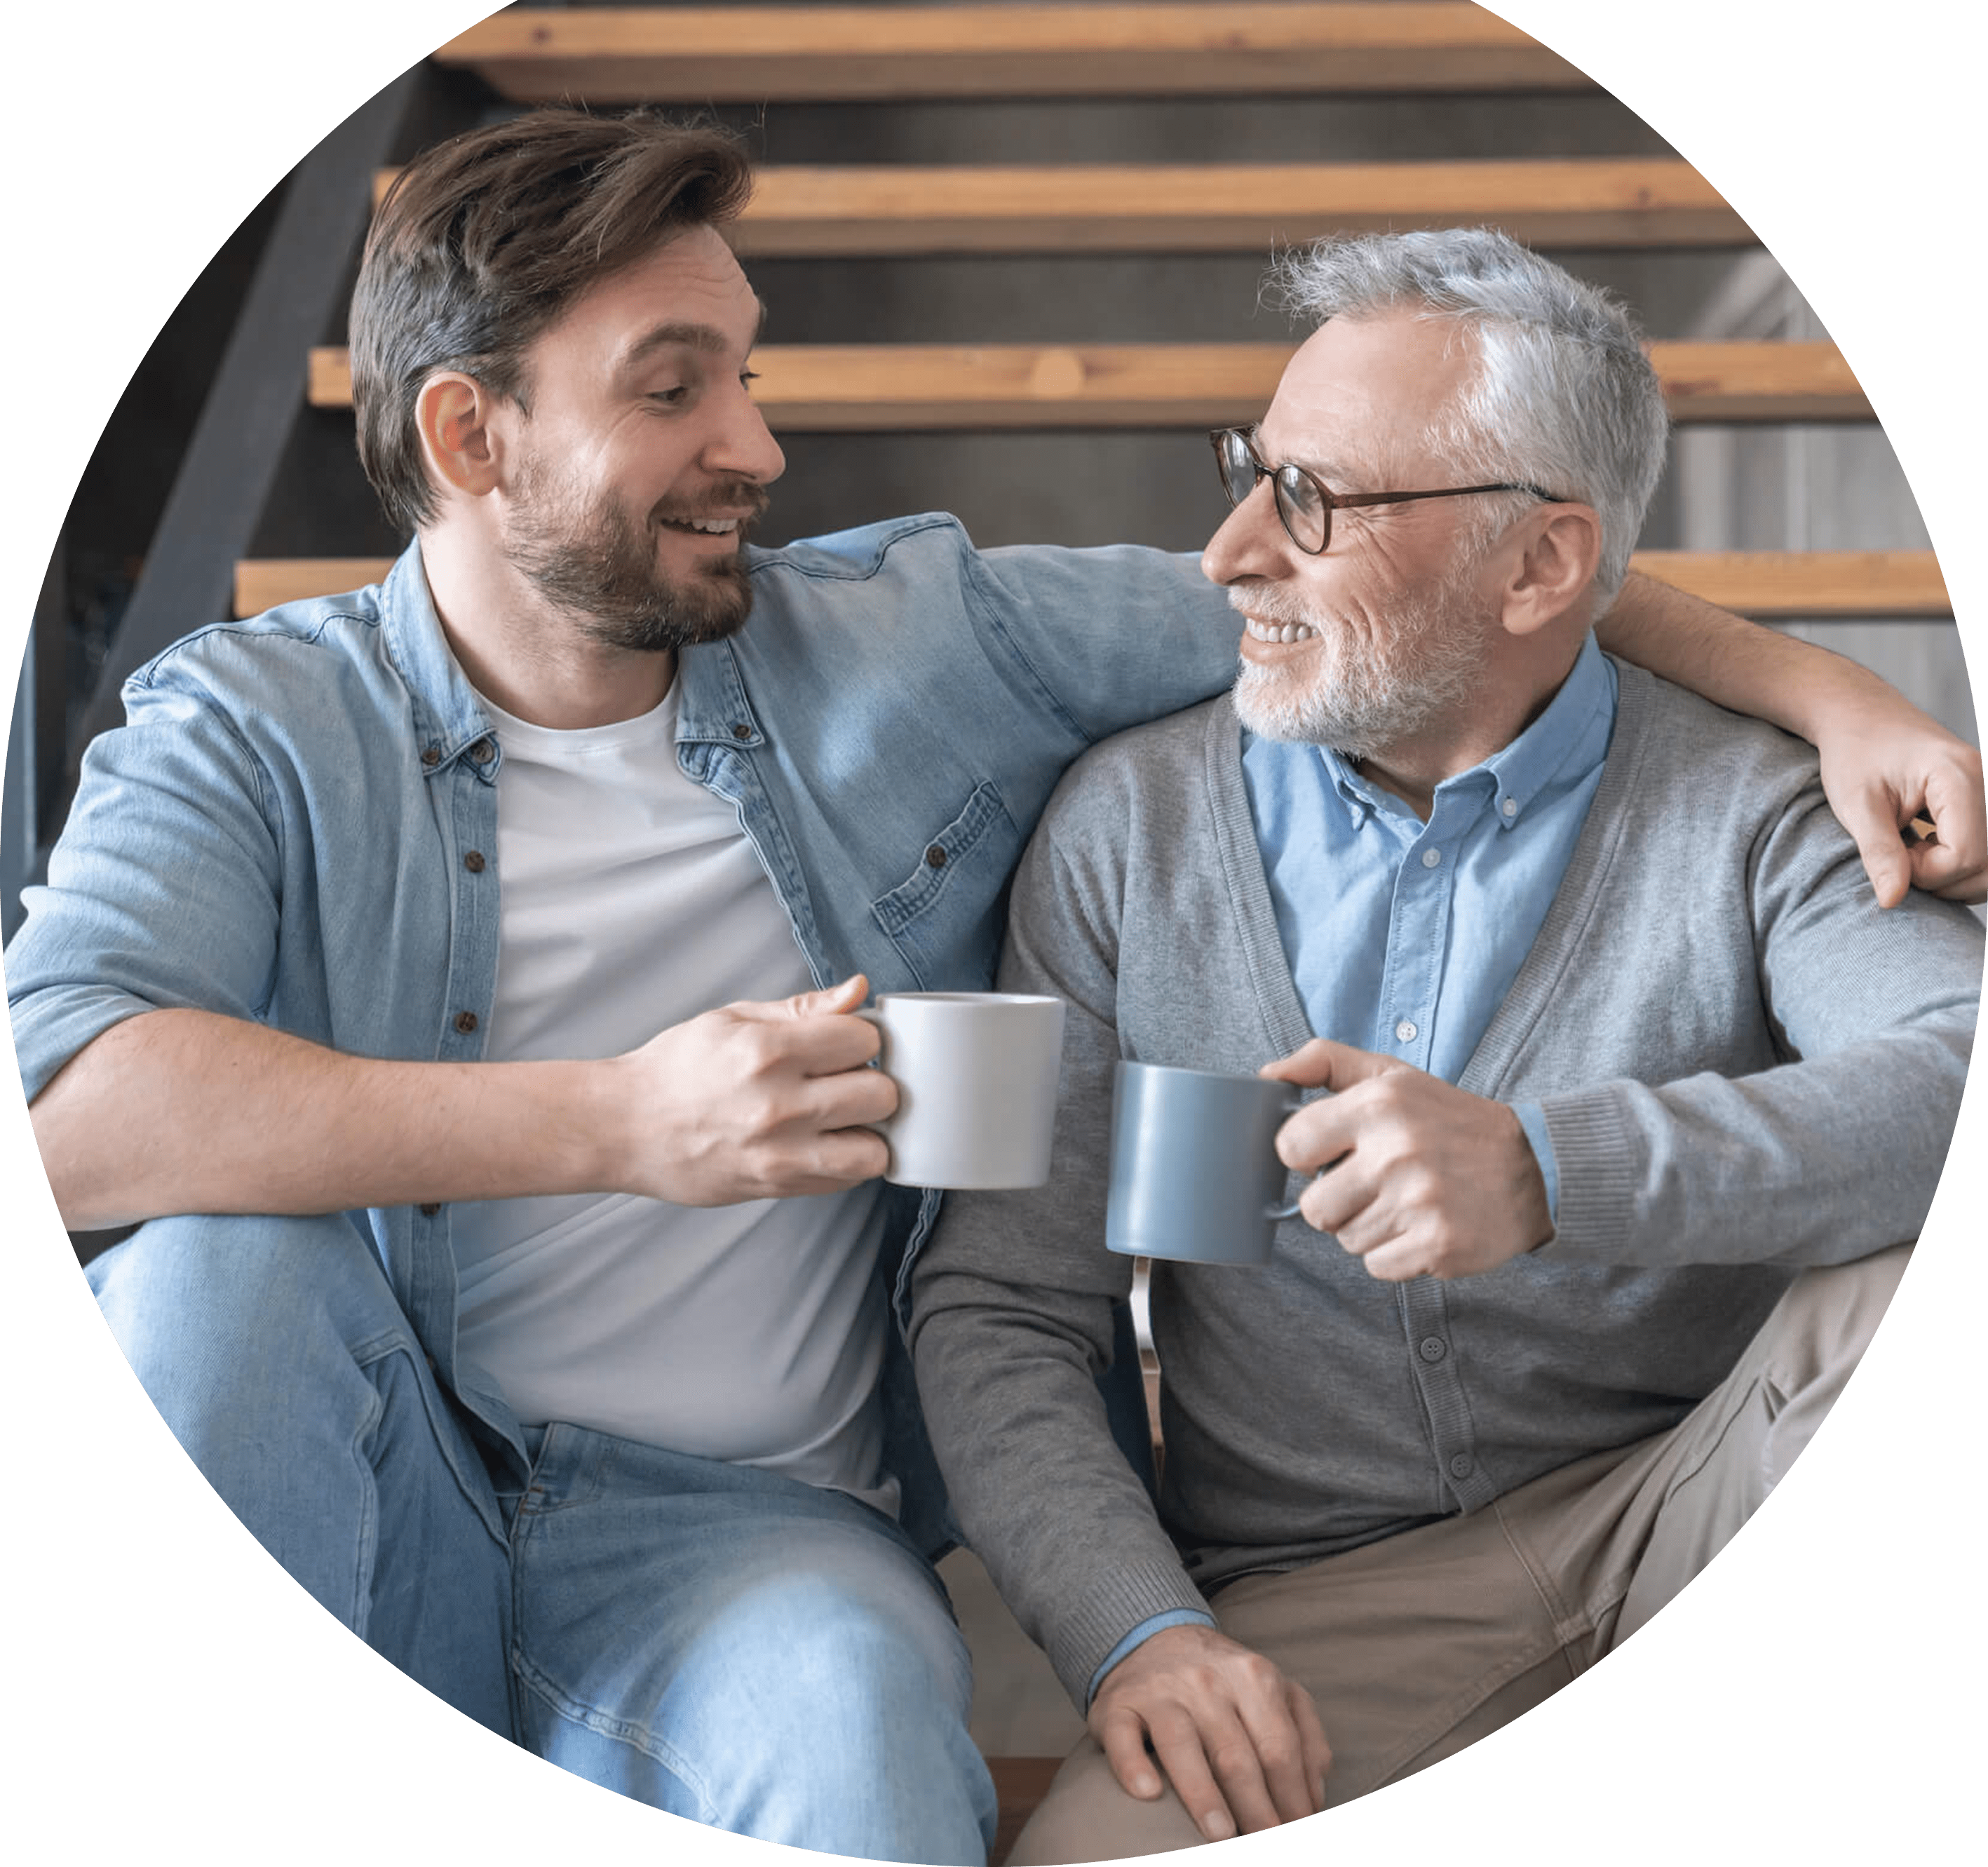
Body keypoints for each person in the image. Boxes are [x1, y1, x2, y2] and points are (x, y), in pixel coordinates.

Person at [6, 112, 1977, 1861]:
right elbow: (71, 1111)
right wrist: (625, 1120)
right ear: (468, 433)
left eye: (752, 373)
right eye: (677, 388)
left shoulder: (911, 636)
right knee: (200, 1279)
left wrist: (1825, 690)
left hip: (759, 1532)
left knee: (863, 1741)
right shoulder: (248, 729)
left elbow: (1395, 584)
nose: (760, 444)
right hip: (396, 1459)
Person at [907, 227, 1984, 1863]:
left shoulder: (1754, 804)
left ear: (1541, 565)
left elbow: (1952, 1059)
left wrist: (1553, 1171)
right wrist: (1140, 1630)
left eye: (1314, 501)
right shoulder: (1126, 830)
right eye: (1251, 472)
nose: (1230, 551)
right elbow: (1003, 1300)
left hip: (1703, 1500)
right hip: (1329, 1600)